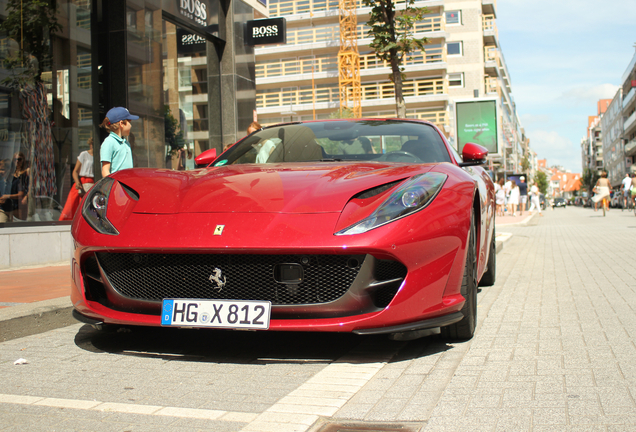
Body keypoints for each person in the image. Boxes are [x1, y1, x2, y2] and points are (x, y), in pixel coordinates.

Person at [59, 138, 94, 221]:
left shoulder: (100, 156)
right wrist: (77, 182)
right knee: (72, 206)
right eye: (92, 144)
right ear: (90, 144)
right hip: (82, 182)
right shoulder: (84, 154)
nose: (93, 146)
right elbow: (75, 171)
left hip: (93, 182)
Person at [100, 107, 138, 176]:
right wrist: (114, 186)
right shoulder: (109, 142)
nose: (131, 125)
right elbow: (105, 170)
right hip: (117, 185)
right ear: (121, 124)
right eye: (129, 122)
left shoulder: (126, 143)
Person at [10, 152, 29, 221]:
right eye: (15, 159)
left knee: (19, 220)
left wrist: (26, 196)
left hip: (21, 200)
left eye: (19, 159)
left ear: (23, 160)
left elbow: (30, 186)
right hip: (12, 199)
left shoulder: (26, 172)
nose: (17, 161)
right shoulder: (11, 173)